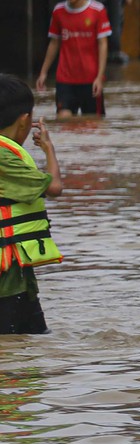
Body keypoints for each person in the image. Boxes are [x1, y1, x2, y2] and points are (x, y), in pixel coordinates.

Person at [0, 76, 64, 336]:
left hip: (17, 274)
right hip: (7, 282)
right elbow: (54, 187)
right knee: (14, 347)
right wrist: (49, 149)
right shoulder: (6, 159)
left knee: (33, 343)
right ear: (25, 120)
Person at [36, 0, 111, 117]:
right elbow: (54, 43)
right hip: (65, 79)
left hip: (90, 80)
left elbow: (103, 44)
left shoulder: (97, 11)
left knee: (93, 126)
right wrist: (43, 72)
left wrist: (99, 77)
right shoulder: (58, 11)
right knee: (63, 121)